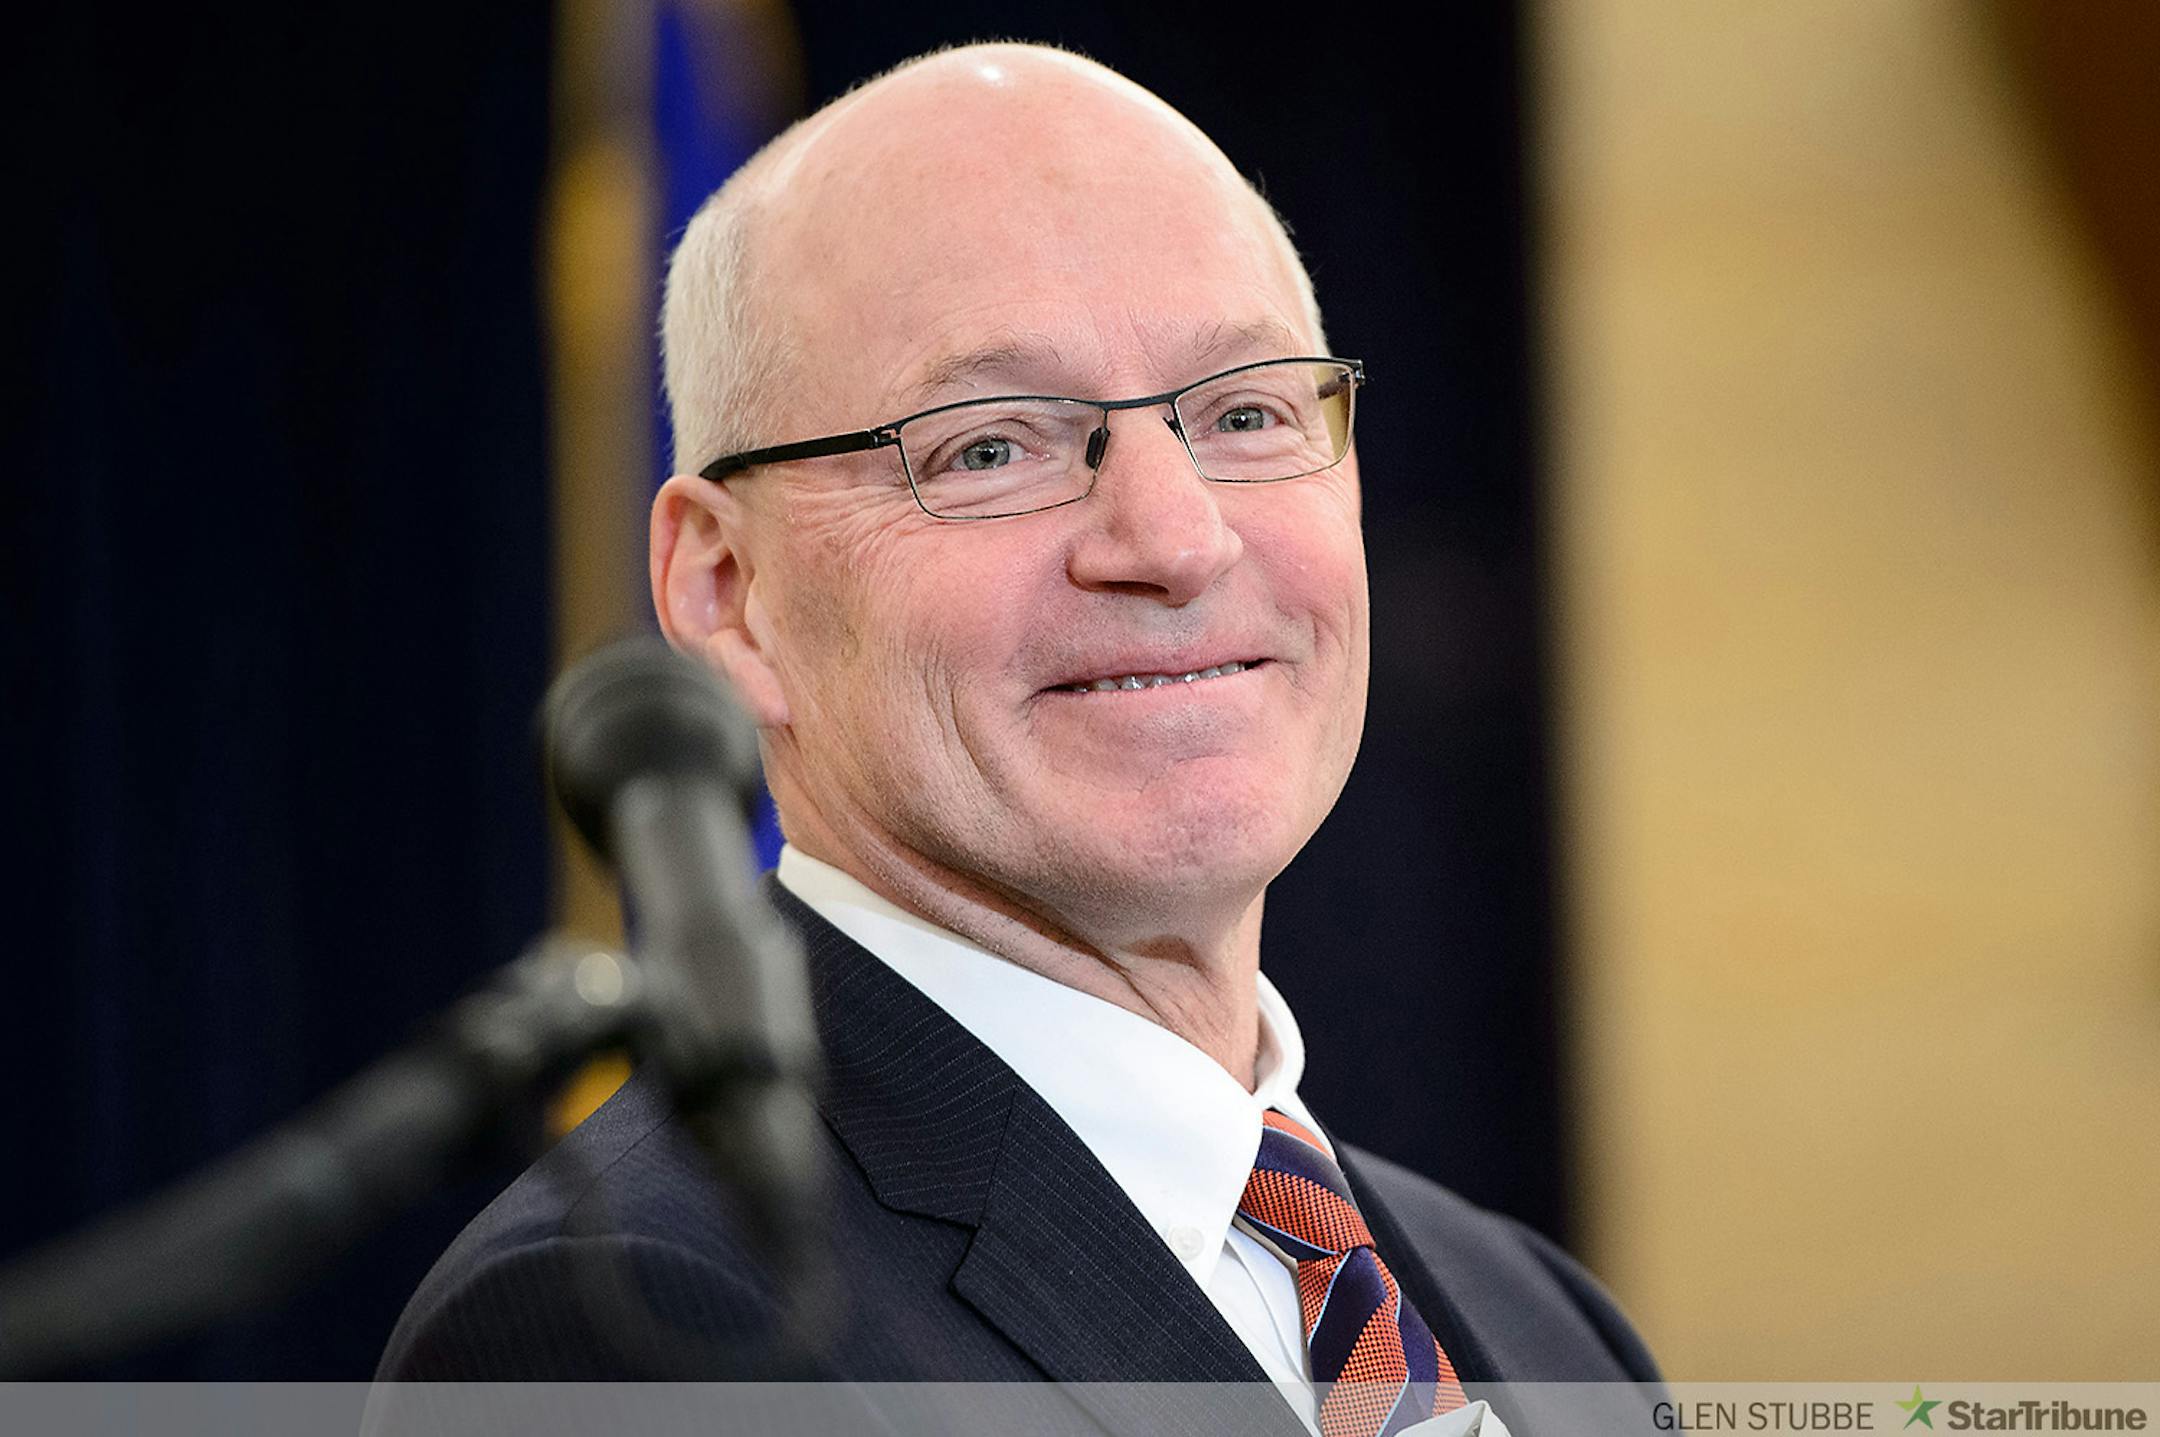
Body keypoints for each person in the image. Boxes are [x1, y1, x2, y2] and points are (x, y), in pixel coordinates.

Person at [377, 42, 1660, 1436]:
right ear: (726, 592)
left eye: (1245, 412)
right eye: (992, 445)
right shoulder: (636, 1333)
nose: (1175, 538)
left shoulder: (1547, 1324)